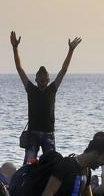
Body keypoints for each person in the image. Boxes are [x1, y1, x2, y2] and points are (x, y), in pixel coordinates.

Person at [10, 31, 82, 164]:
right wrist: (15, 48)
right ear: (36, 80)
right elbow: (19, 68)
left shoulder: (52, 90)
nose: (42, 84)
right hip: (33, 133)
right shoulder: (31, 89)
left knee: (51, 164)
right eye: (40, 81)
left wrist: (71, 50)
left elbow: (63, 70)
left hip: (48, 133)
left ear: (48, 80)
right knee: (29, 163)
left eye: (44, 81)